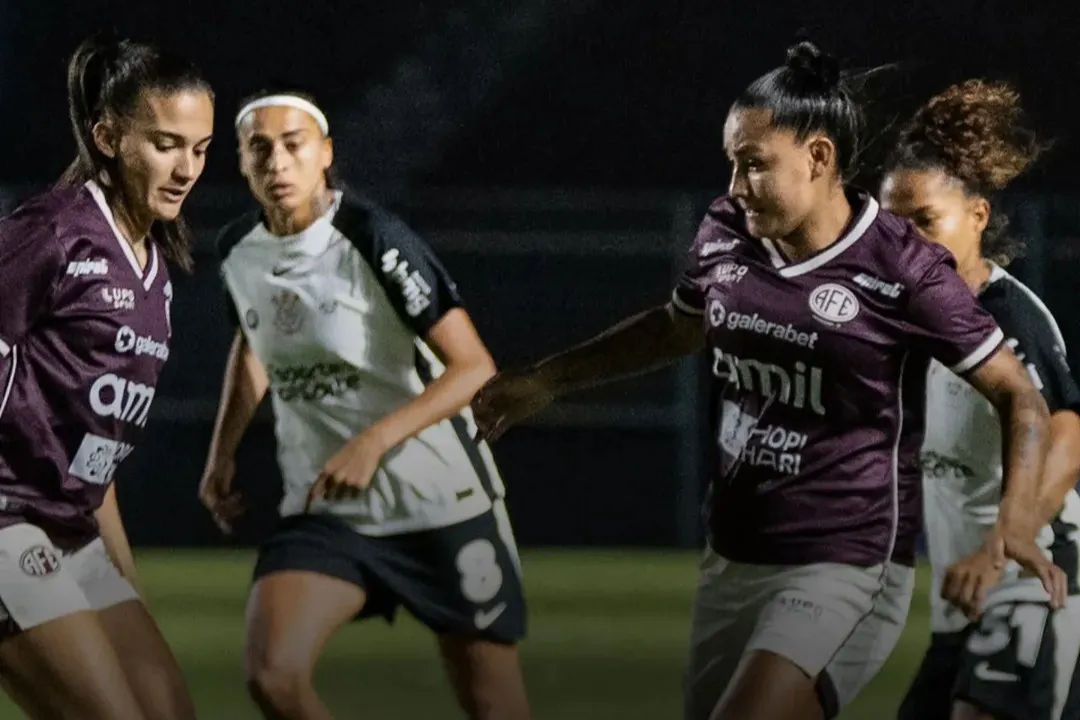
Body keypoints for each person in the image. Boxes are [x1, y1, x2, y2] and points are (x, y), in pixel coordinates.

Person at [471, 41, 1067, 720]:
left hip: (847, 562)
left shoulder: (902, 267)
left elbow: (1019, 393)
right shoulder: (727, 231)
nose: (735, 185)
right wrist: (548, 380)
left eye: (754, 164)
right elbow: (676, 327)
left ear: (819, 157)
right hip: (734, 555)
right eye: (732, 163)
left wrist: (1015, 523)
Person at [199, 88, 531, 720]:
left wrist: (372, 443)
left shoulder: (373, 237)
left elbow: (474, 368)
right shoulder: (237, 250)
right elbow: (253, 345)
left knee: (495, 707)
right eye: (259, 148)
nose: (277, 162)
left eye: (294, 144)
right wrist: (222, 453)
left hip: (440, 506)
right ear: (240, 161)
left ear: (325, 153)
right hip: (328, 509)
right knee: (273, 677)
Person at [0, 33, 213, 720]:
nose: (186, 168)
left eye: (201, 149)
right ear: (109, 137)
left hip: (73, 528)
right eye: (166, 144)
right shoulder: (54, 232)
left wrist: (126, 590)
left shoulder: (155, 273)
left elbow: (96, 456)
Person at [882, 79, 1080, 720]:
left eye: (925, 222)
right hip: (965, 601)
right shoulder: (908, 323)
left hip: (1034, 582)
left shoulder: (1008, 318)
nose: (907, 244)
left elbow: (1068, 434)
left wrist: (1002, 542)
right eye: (892, 226)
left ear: (978, 217)